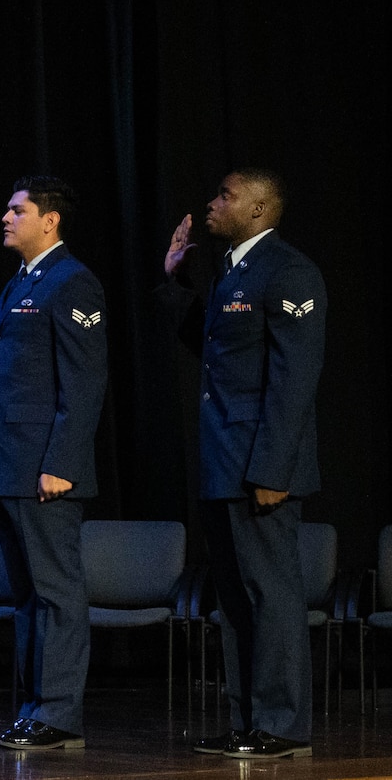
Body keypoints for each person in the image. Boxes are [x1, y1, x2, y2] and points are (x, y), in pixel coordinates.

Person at [161, 168, 324, 760]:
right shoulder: (233, 270)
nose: (212, 202)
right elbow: (211, 349)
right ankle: (248, 719)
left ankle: (282, 725)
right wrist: (177, 282)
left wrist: (273, 471)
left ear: (258, 210)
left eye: (226, 196)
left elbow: (293, 382)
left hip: (260, 465)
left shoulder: (288, 271)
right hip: (222, 460)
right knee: (234, 597)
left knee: (271, 594)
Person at [0, 177, 107, 752]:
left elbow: (85, 383)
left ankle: (58, 716)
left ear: (51, 220)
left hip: (44, 468)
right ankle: (34, 710)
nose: (5, 219)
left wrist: (61, 461)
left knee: (56, 591)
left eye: (18, 210)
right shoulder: (23, 281)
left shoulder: (72, 281)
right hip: (9, 464)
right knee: (28, 594)